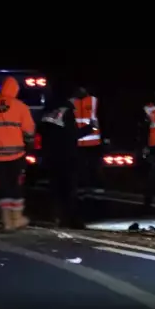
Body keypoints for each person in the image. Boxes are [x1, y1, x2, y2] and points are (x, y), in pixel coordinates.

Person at [0, 76, 36, 231]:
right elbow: (29, 131)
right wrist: (29, 145)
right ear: (15, 90)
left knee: (2, 186)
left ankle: (7, 221)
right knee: (16, 185)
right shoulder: (21, 107)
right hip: (17, 154)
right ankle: (17, 219)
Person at [40, 84, 90, 228]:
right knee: (69, 189)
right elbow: (72, 135)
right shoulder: (67, 112)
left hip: (51, 156)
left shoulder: (49, 111)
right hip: (66, 156)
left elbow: (43, 133)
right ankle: (71, 220)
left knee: (55, 188)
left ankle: (56, 217)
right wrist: (89, 128)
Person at [71, 86, 104, 195]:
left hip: (93, 142)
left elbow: (101, 118)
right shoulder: (71, 102)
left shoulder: (94, 100)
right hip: (77, 141)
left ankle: (95, 185)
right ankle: (81, 186)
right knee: (79, 167)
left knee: (94, 166)